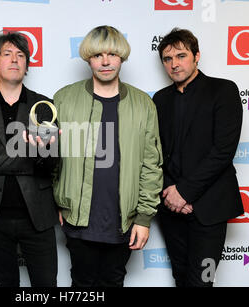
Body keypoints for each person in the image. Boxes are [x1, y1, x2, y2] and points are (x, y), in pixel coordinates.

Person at [53, 25, 163, 287]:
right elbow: (52, 158)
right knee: (81, 282)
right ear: (88, 58)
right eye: (97, 55)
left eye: (112, 54)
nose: (105, 61)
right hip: (78, 218)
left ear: (122, 57)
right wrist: (57, 200)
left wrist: (144, 218)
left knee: (114, 281)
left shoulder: (143, 104)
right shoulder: (64, 98)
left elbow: (151, 164)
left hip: (123, 219)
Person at [0, 32, 59, 287]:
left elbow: (52, 163)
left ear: (27, 65)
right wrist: (28, 155)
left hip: (37, 216)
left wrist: (42, 155)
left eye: (20, 55)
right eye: (7, 54)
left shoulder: (43, 105)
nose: (15, 60)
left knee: (46, 285)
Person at [153, 28, 244, 287]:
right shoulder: (160, 100)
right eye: (168, 59)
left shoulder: (223, 90)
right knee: (180, 278)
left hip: (210, 209)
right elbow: (156, 153)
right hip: (172, 209)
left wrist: (185, 192)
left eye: (181, 56)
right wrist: (172, 194)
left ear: (196, 56)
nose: (175, 64)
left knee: (203, 281)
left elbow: (223, 151)